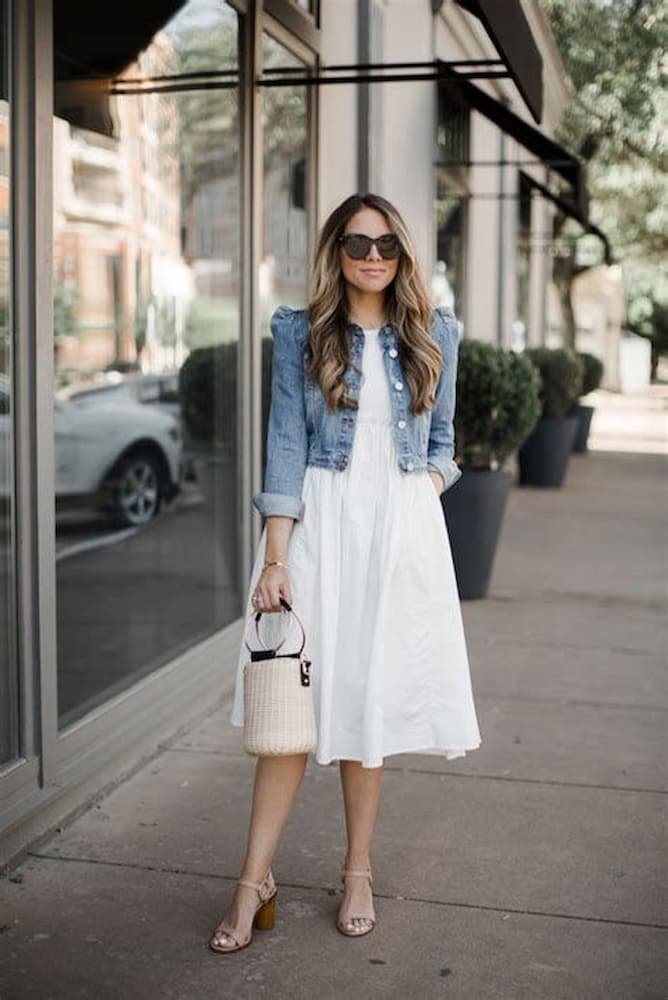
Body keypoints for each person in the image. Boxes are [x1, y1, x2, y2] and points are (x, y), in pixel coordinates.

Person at [209, 193, 481, 953]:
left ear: (403, 253)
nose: (372, 255)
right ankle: (252, 879)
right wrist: (274, 557)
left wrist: (420, 494)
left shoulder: (436, 334)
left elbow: (446, 440)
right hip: (322, 529)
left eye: (387, 243)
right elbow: (286, 448)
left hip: (397, 536)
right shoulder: (300, 335)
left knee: (368, 708)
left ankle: (357, 869)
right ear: (336, 249)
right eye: (358, 242)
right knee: (289, 717)